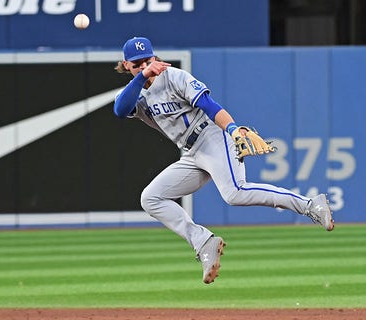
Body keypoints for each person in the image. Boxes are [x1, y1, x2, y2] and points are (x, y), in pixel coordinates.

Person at [113, 37, 334, 284]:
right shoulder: (133, 92)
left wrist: (233, 129)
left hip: (212, 138)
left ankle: (310, 204)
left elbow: (209, 104)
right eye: (137, 64)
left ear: (156, 57)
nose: (145, 65)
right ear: (126, 65)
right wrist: (142, 77)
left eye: (148, 59)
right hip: (191, 152)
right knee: (151, 198)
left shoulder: (174, 76)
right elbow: (120, 110)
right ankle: (203, 242)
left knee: (235, 193)